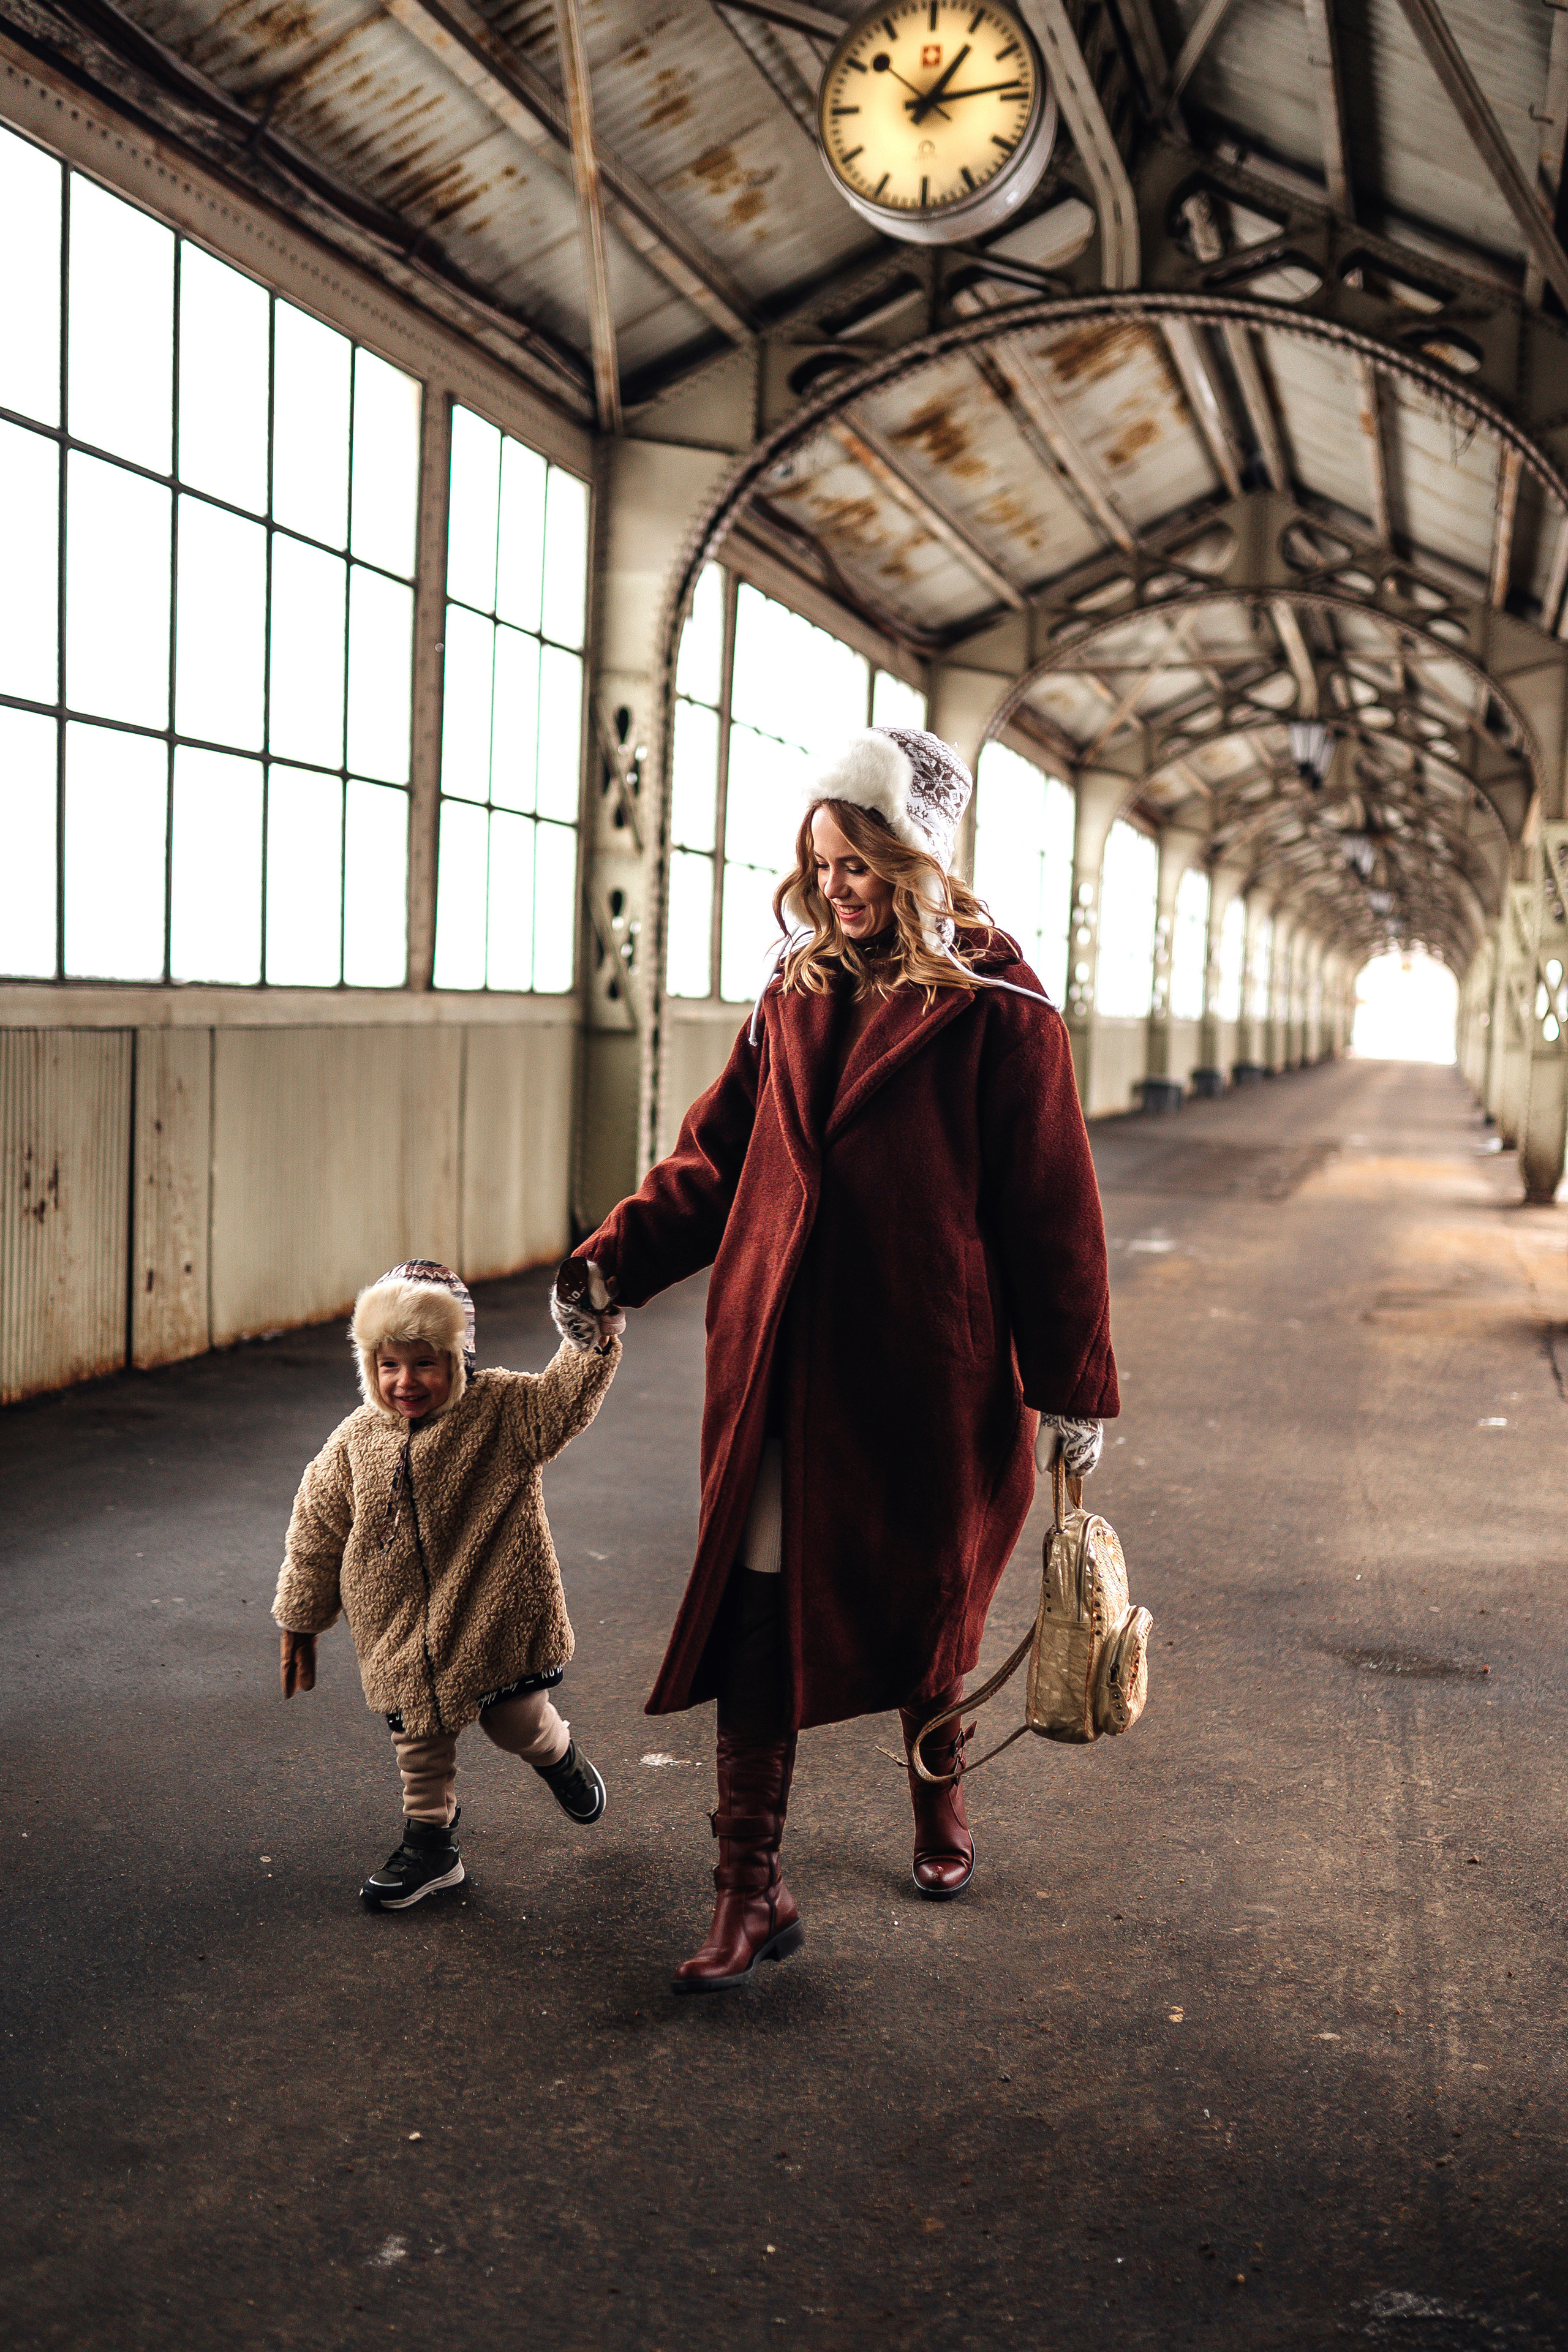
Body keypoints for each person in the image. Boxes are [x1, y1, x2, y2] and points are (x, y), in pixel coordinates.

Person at [559, 726, 1118, 1994]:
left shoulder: (1004, 1009)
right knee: (756, 1610)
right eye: (818, 862)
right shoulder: (790, 993)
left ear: (911, 853)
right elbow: (710, 1161)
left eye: (855, 859)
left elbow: (1050, 1209)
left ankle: (938, 1804)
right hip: (774, 1368)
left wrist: (1071, 1385)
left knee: (923, 1599)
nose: (834, 887)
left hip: (920, 1366)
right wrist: (609, 1263)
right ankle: (749, 1890)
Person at [273, 1258, 624, 1912]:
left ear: (458, 1358)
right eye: (388, 1364)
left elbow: (562, 1400)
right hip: (398, 1623)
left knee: (515, 1722)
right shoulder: (356, 1439)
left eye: (425, 1362)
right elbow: (316, 1526)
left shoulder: (503, 1409)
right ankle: (431, 1848)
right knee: (418, 1740)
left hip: (490, 1604)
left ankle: (558, 1755)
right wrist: (301, 1617)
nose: (405, 1381)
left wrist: (589, 1339)